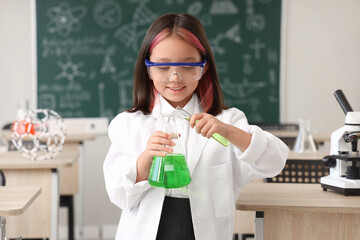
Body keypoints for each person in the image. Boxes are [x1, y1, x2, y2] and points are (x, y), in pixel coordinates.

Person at [103, 13, 289, 240]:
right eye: (162, 67)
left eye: (188, 65)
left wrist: (227, 131)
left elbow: (275, 162)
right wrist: (145, 160)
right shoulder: (128, 124)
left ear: (204, 67)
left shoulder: (227, 120)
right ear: (148, 69)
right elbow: (118, 195)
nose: (175, 77)